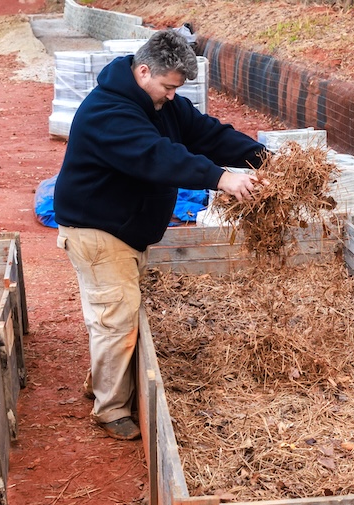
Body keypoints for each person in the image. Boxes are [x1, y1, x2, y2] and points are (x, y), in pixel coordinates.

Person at [53, 28, 265, 440]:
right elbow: (157, 156)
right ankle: (111, 409)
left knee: (117, 312)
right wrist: (220, 178)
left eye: (177, 88)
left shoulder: (163, 104)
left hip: (127, 228)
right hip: (97, 230)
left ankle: (103, 380)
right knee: (117, 316)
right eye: (168, 87)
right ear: (144, 71)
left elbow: (209, 134)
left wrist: (264, 159)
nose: (173, 96)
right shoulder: (108, 112)